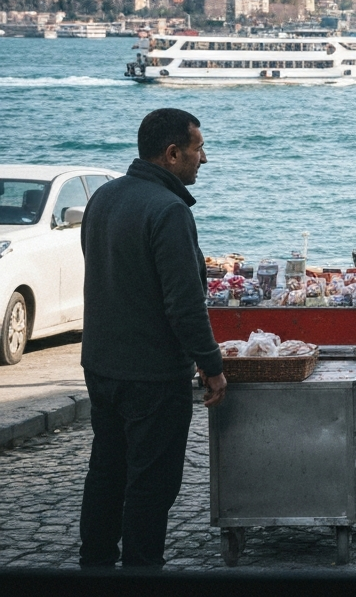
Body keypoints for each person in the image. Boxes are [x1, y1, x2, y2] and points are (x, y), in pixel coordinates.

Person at [78, 108, 227, 568]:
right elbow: (184, 305)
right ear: (172, 153)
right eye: (199, 149)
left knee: (106, 470)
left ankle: (95, 566)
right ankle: (143, 573)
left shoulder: (103, 197)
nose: (204, 159)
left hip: (101, 365)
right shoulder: (169, 211)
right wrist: (212, 365)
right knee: (152, 483)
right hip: (151, 375)